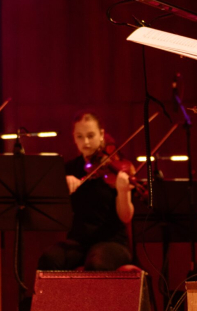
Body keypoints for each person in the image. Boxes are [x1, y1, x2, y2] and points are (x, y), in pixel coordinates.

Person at [38, 111, 134, 271]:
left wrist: (123, 191)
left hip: (112, 243)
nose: (86, 142)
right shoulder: (69, 169)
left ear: (101, 134)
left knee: (97, 263)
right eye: (80, 136)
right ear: (73, 137)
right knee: (49, 258)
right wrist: (62, 187)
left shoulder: (116, 169)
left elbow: (126, 217)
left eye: (91, 135)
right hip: (78, 242)